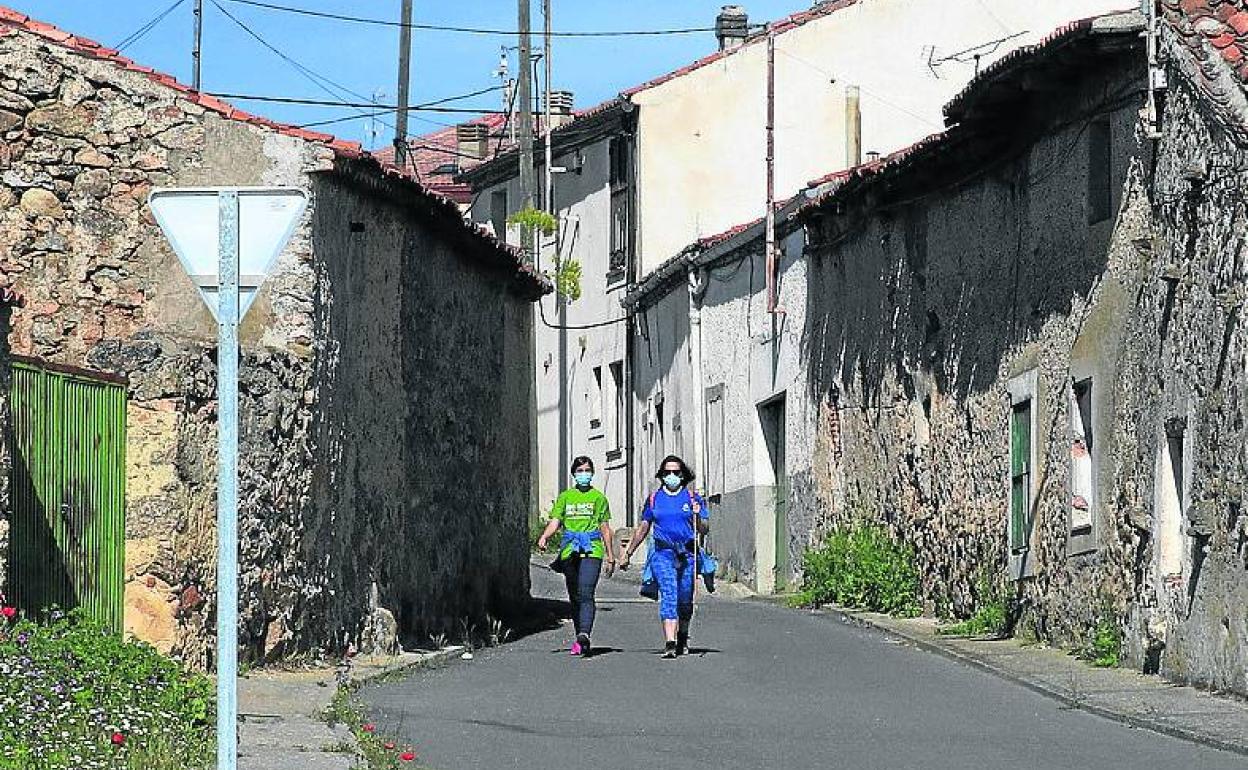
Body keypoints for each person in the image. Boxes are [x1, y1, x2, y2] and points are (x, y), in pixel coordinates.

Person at [619, 454, 709, 659]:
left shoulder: (693, 498)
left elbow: (704, 529)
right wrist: (629, 552)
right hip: (662, 553)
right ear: (661, 475)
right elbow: (643, 527)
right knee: (669, 593)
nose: (671, 476)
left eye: (675, 472)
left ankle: (683, 635)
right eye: (667, 472)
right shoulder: (654, 499)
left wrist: (697, 516)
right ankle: (670, 642)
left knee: (685, 598)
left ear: (683, 475)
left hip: (687, 553)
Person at [537, 456, 615, 656]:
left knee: (586, 592)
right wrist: (545, 536)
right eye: (580, 470)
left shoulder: (598, 498)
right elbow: (556, 521)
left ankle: (584, 634)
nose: (584, 474)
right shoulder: (566, 497)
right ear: (574, 474)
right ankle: (580, 636)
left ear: (592, 473)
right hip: (570, 550)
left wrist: (611, 555)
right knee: (574, 595)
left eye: (587, 470)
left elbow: (605, 528)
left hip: (592, 549)